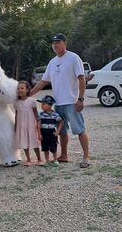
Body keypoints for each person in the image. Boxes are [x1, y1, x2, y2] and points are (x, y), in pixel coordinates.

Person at [30, 33, 90, 168]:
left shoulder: (73, 58)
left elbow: (81, 79)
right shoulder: (52, 62)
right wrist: (28, 94)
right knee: (62, 132)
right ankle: (64, 155)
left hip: (72, 101)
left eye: (58, 42)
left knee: (79, 130)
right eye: (53, 43)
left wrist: (80, 99)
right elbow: (43, 82)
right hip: (58, 103)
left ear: (64, 43)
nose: (55, 45)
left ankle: (86, 157)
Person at [14, 81, 42, 166]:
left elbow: (36, 114)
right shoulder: (16, 103)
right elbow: (16, 114)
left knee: (34, 141)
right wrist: (15, 126)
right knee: (24, 141)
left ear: (27, 90)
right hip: (21, 125)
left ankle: (39, 159)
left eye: (22, 88)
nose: (20, 90)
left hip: (31, 124)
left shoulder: (32, 101)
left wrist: (38, 124)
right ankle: (28, 159)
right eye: (18, 88)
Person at [38, 95, 64, 166]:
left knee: (53, 146)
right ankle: (47, 161)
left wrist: (58, 131)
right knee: (45, 147)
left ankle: (55, 159)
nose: (42, 106)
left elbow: (61, 121)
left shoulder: (55, 114)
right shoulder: (41, 114)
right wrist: (39, 134)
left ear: (50, 105)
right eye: (41, 104)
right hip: (43, 132)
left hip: (52, 132)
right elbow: (38, 124)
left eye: (44, 104)